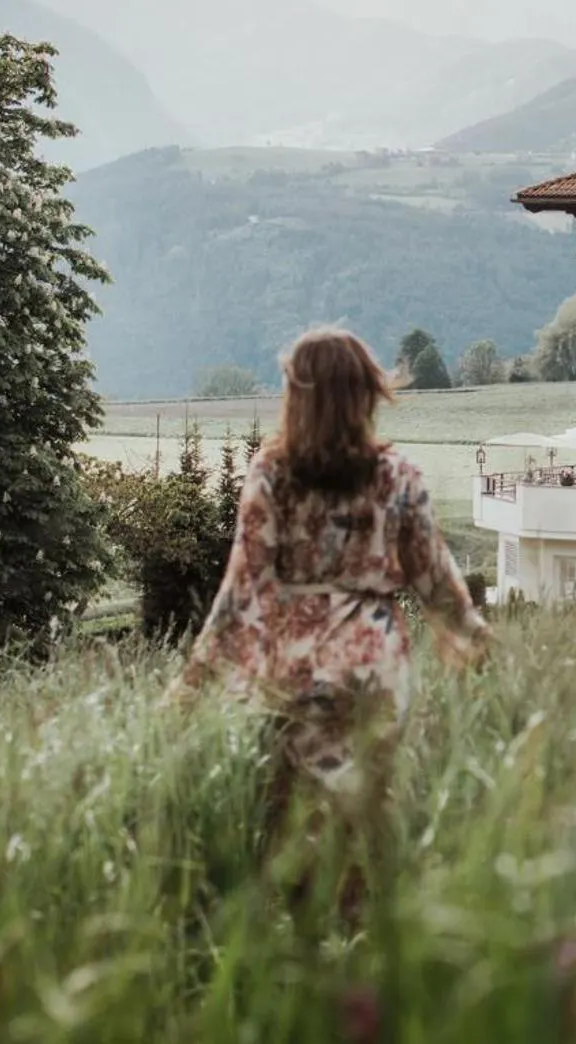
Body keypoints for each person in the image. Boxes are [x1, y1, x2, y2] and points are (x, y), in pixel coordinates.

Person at [180, 327, 491, 804]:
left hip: (295, 668)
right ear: (365, 395)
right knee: (369, 808)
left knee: (290, 818)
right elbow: (438, 584)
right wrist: (483, 644)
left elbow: (241, 590)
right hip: (375, 667)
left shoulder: (271, 475)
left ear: (298, 399)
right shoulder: (399, 476)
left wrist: (191, 683)